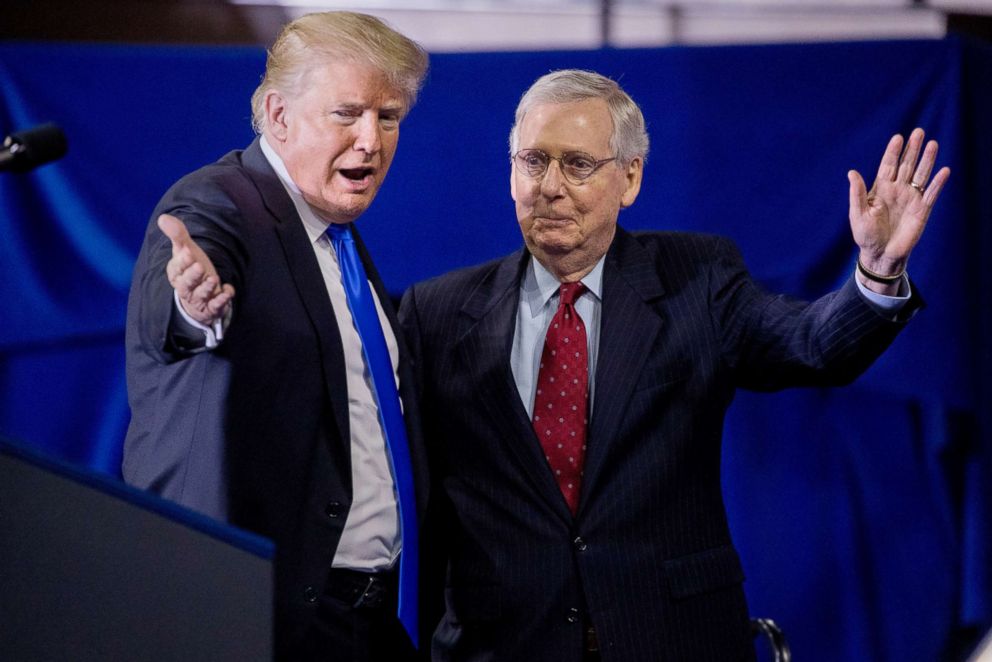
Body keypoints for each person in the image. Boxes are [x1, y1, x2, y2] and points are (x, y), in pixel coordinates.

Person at [399, 69, 949, 661]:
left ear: (630, 177)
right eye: (532, 161)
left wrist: (875, 272)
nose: (549, 186)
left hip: (670, 639)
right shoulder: (438, 311)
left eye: (577, 164)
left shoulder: (698, 280)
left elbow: (811, 344)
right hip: (503, 645)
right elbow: (419, 507)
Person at [122, 12, 431, 661]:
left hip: (367, 620)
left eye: (389, 116)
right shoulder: (219, 202)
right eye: (347, 113)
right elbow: (171, 313)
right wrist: (192, 305)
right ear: (278, 115)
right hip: (249, 617)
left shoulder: (339, 243)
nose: (371, 140)